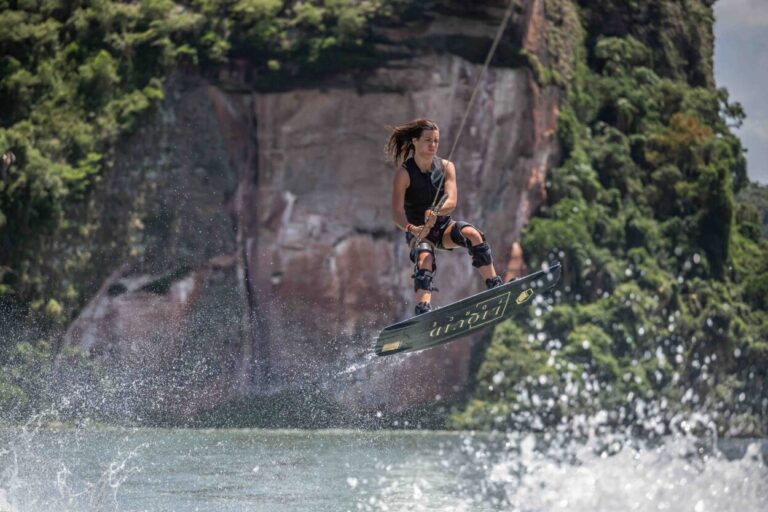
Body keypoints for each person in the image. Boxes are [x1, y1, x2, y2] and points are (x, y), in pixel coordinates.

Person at [387, 118, 503, 316]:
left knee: (473, 234)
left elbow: (452, 201)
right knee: (425, 257)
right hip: (419, 232)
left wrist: (437, 212)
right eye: (428, 140)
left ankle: (494, 285)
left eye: (436, 141)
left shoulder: (447, 167)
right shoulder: (404, 174)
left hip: (443, 229)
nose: (433, 145)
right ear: (415, 141)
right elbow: (397, 213)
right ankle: (423, 309)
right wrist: (411, 228)